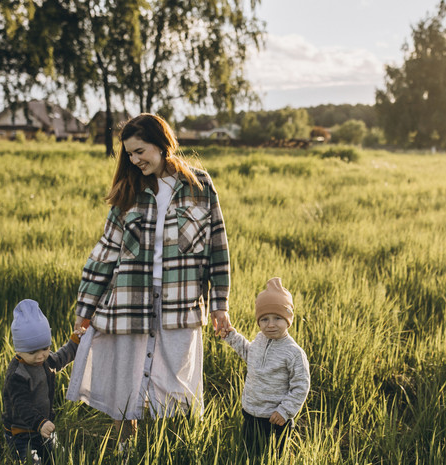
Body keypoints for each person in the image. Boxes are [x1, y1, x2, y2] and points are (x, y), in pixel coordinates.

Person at [65, 113, 231, 444]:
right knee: (124, 384)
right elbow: (105, 253)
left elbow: (218, 247)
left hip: (180, 303)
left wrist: (219, 305)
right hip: (129, 300)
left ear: (161, 144)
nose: (134, 160)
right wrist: (84, 312)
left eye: (140, 151)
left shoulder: (200, 186)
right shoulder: (129, 192)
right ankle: (126, 451)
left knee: (175, 387)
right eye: (129, 154)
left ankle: (165, 450)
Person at [221, 277, 310, 458]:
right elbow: (249, 354)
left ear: (288, 319)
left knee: (273, 457)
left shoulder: (293, 352)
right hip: (251, 412)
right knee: (250, 454)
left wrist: (285, 411)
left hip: (275, 419)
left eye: (277, 318)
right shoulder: (260, 340)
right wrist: (232, 337)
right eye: (264, 319)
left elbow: (301, 385)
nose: (270, 324)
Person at [2, 299, 81, 464]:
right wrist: (40, 422)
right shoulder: (17, 375)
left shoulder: (46, 361)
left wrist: (76, 340)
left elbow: (63, 356)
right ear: (19, 349)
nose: (40, 356)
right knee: (31, 461)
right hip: (21, 432)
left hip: (43, 426)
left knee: (61, 457)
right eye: (32, 352)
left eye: (45, 348)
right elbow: (21, 405)